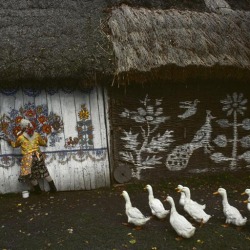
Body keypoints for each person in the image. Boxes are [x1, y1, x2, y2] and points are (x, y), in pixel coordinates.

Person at [7, 118, 57, 194]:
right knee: (44, 172)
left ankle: (38, 191)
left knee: (31, 175)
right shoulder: (36, 135)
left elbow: (15, 145)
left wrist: (10, 142)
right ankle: (53, 189)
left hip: (28, 158)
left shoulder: (20, 137)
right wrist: (45, 140)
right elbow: (43, 143)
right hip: (38, 156)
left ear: (22, 127)